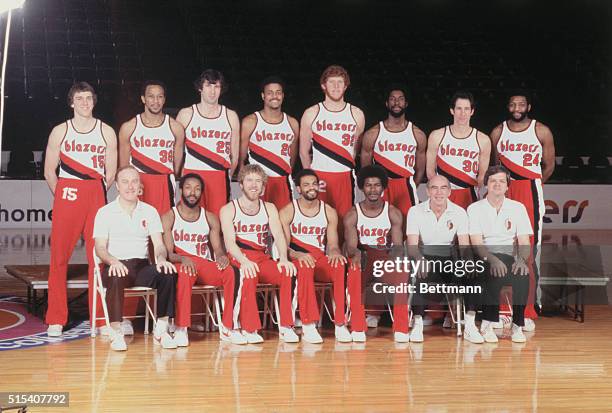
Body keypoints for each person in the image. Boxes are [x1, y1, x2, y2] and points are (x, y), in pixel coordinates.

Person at [44, 81, 117, 337]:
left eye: (89, 98)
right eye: (80, 98)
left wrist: (95, 191)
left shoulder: (106, 131)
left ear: (94, 101)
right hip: (68, 191)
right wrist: (64, 194)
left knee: (97, 258)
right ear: (71, 102)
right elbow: (49, 171)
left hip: (95, 191)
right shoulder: (60, 131)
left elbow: (111, 172)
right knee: (59, 258)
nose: (85, 103)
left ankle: (99, 318)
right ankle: (56, 318)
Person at [490, 91, 556, 331]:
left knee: (528, 249)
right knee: (500, 245)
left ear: (528, 106)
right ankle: (502, 309)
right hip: (504, 189)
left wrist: (533, 182)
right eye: (512, 104)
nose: (517, 107)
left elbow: (548, 166)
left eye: (521, 104)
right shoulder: (498, 132)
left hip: (529, 189)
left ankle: (528, 308)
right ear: (508, 107)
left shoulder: (541, 131)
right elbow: (494, 166)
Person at [93, 166, 178, 351]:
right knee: (116, 274)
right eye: (125, 182)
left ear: (140, 185)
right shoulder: (105, 212)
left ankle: (161, 329)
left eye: (134, 181)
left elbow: (159, 245)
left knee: (168, 272)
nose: (130, 186)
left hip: (141, 266)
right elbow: (99, 248)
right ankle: (116, 332)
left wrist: (162, 259)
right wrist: (113, 261)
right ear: (117, 185)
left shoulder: (149, 211)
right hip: (116, 264)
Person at [161, 174, 246, 346]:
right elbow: (168, 253)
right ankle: (181, 328)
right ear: (180, 190)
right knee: (185, 273)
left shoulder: (209, 217)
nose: (192, 192)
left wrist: (222, 257)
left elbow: (218, 249)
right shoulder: (170, 216)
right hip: (180, 263)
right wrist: (182, 258)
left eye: (197, 188)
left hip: (203, 265)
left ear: (201, 193)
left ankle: (229, 327)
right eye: (188, 187)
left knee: (232, 272)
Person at [219, 164, 298, 343]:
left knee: (289, 271)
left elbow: (278, 235)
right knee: (248, 273)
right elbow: (230, 242)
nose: (254, 185)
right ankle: (239, 327)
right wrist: (243, 261)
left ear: (263, 186)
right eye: (249, 180)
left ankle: (286, 326)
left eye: (258, 181)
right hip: (239, 257)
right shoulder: (229, 209)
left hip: (262, 257)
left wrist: (284, 259)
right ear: (241, 184)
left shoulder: (269, 207)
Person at [279, 169, 352, 343]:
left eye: (314, 184)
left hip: (318, 258)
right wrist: (298, 254)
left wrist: (335, 253)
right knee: (305, 265)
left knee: (339, 264)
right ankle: (308, 325)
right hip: (296, 258)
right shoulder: (288, 211)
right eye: (306, 185)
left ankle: (340, 323)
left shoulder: (328, 211)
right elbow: (284, 247)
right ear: (298, 189)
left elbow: (333, 245)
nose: (311, 188)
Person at [406, 175, 481, 343]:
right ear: (427, 191)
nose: (439, 192)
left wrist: (468, 263)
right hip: (425, 255)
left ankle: (469, 324)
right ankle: (417, 324)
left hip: (449, 257)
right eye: (434, 188)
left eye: (443, 188)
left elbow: (464, 245)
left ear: (449, 191)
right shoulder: (415, 211)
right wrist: (419, 259)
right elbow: (412, 245)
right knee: (420, 271)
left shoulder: (459, 212)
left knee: (472, 273)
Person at [467, 166, 533, 343]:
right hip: (484, 256)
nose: (497, 184)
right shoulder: (474, 208)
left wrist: (521, 260)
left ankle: (517, 325)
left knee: (523, 273)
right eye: (493, 181)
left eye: (502, 181)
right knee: (494, 269)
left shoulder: (518, 208)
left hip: (509, 256)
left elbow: (524, 242)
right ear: (486, 184)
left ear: (507, 186)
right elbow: (477, 243)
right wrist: (493, 259)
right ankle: (488, 323)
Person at [343, 165, 407, 342]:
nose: (373, 189)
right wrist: (356, 255)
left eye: (377, 185)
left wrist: (396, 260)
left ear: (383, 187)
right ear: (362, 187)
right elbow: (351, 247)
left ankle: (401, 328)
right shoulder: (353, 214)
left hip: (383, 256)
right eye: (368, 185)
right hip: (363, 255)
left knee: (401, 273)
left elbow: (397, 245)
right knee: (355, 271)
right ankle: (357, 327)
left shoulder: (393, 213)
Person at [299, 65, 365, 222]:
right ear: (323, 85)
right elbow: (303, 151)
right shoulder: (312, 112)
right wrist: (310, 178)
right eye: (331, 82)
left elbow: (356, 149)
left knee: (345, 222)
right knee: (317, 220)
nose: (336, 86)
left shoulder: (356, 114)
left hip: (345, 175)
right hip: (319, 175)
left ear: (346, 86)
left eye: (340, 82)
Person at [176, 69, 240, 214]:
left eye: (216, 86)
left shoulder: (230, 116)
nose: (212, 91)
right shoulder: (186, 114)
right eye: (208, 86)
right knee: (190, 220)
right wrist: (182, 176)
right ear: (200, 88)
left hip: (219, 177)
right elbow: (176, 151)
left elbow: (234, 155)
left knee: (218, 223)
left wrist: (225, 175)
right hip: (192, 175)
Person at [118, 80, 185, 215]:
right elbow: (124, 166)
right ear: (143, 99)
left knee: (162, 228)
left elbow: (176, 166)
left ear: (164, 99)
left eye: (160, 96)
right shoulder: (129, 127)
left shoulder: (175, 127)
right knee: (136, 225)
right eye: (151, 96)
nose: (156, 101)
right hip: (138, 182)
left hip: (164, 183)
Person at [360, 85, 427, 217]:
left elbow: (420, 169)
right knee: (381, 223)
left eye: (400, 99)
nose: (396, 102)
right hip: (382, 185)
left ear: (406, 103)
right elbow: (366, 168)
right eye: (392, 99)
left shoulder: (417, 134)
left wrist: (411, 184)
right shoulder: (373, 133)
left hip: (405, 185)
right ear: (387, 103)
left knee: (408, 226)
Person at [240, 76, 299, 210]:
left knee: (283, 223)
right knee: (257, 223)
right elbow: (241, 158)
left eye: (278, 92)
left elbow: (292, 157)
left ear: (283, 96)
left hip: (282, 182)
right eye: (270, 93)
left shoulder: (292, 123)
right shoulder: (250, 121)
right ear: (263, 96)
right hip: (258, 182)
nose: (274, 96)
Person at [426, 91, 491, 208]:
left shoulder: (483, 139)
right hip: (443, 195)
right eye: (459, 108)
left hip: (469, 194)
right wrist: (440, 192)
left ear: (472, 111)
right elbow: (430, 172)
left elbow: (482, 176)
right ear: (452, 110)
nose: (463, 113)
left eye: (466, 109)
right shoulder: (437, 135)